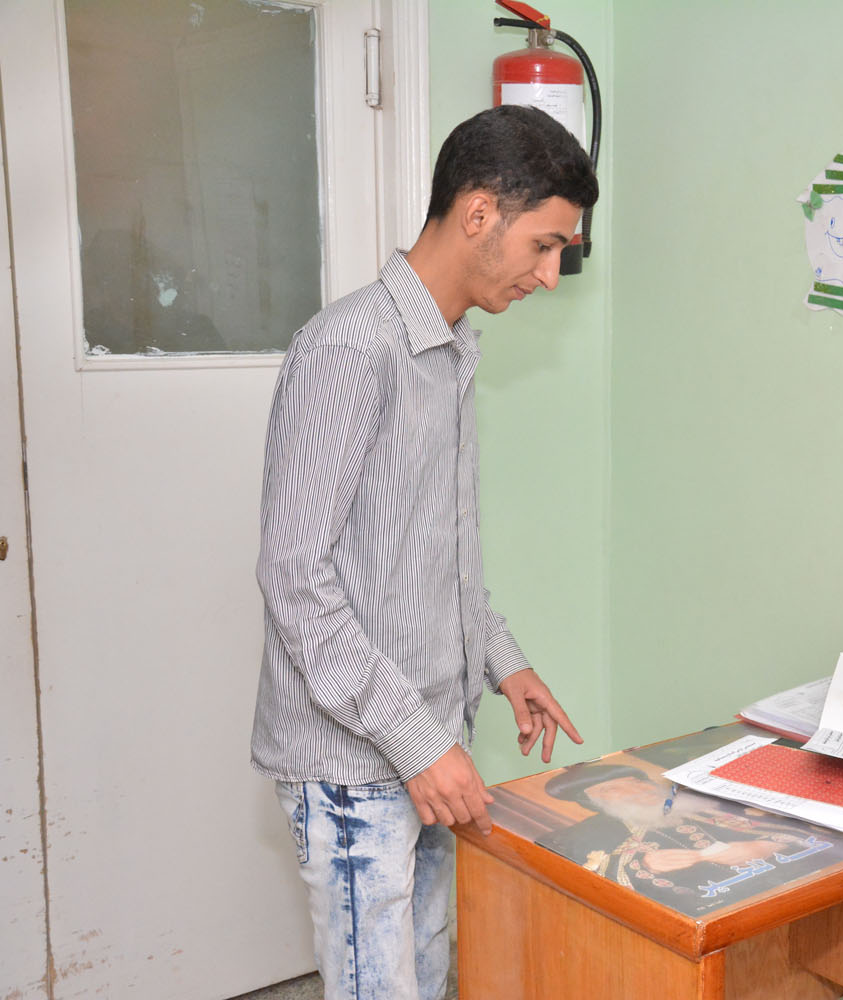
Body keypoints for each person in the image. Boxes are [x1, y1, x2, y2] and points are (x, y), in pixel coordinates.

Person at [250, 104, 597, 1000]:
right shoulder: (348, 348)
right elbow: (295, 581)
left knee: (430, 973)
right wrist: (417, 744)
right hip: (357, 762)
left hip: (433, 749)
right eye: (545, 245)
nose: (549, 275)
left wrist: (503, 661)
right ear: (479, 213)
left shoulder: (449, 351)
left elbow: (429, 558)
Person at [538, 762, 843, 914]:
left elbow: (801, 826)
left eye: (636, 782)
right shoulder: (587, 833)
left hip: (808, 888)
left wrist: (767, 844)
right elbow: (589, 877)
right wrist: (644, 864)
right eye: (610, 790)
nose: (633, 791)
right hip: (715, 908)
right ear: (595, 804)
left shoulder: (704, 802)